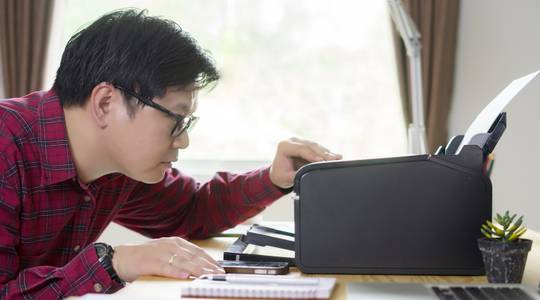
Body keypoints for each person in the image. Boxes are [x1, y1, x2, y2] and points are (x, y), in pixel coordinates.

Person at [0, 9, 341, 298]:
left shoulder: (118, 167)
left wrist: (272, 178)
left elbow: (193, 210)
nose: (183, 141)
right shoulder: (6, 144)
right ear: (106, 103)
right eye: (176, 120)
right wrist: (113, 261)